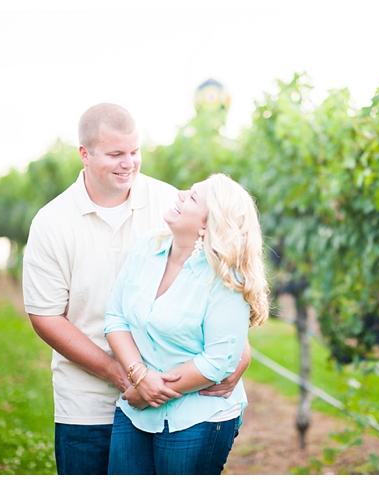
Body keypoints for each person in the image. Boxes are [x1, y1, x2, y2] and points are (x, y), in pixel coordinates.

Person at [22, 103, 251, 475]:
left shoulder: (168, 203)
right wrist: (124, 374)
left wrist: (237, 352)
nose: (128, 163)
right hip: (87, 402)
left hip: (173, 399)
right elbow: (46, 316)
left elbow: (219, 278)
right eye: (115, 154)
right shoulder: (52, 223)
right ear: (85, 154)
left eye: (134, 152)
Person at [104, 173, 270, 475]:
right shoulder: (145, 249)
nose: (179, 194)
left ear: (207, 225)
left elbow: (219, 361)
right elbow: (115, 318)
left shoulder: (225, 279)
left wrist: (149, 391)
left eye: (192, 197)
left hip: (198, 420)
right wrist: (140, 377)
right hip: (135, 412)